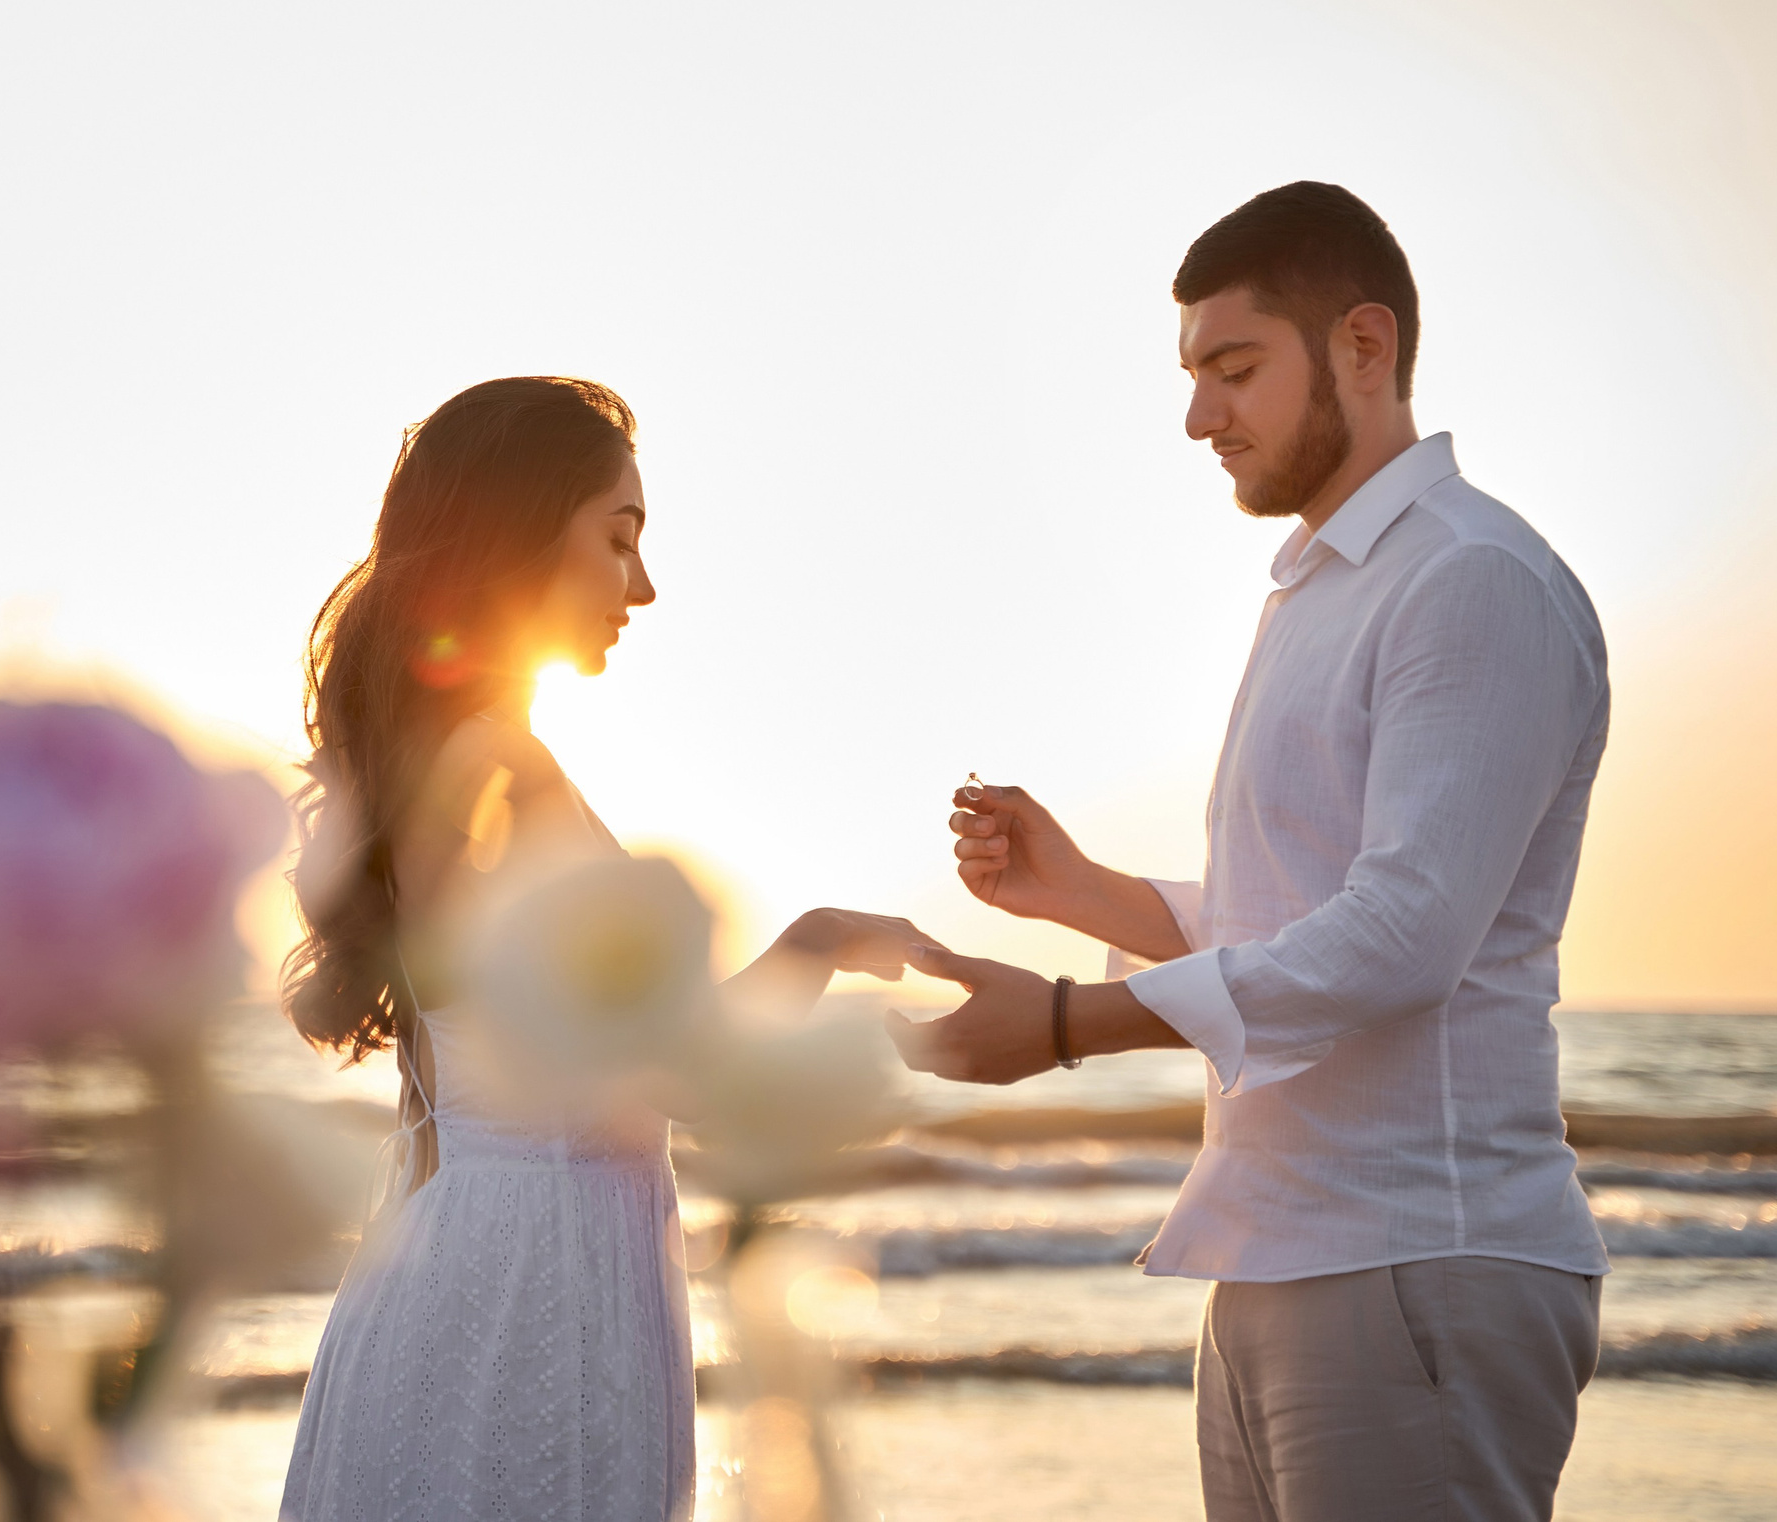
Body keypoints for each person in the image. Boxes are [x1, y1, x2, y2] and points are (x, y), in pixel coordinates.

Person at [890, 184, 1610, 1522]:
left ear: (1363, 345)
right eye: (1192, 376)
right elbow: (1302, 914)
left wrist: (1064, 1024)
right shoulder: (1318, 592)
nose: (1198, 416)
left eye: (1234, 369)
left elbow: (1403, 934)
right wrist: (1085, 893)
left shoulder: (1470, 578)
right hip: (1282, 1251)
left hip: (1418, 1256)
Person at [280, 376, 931, 1522]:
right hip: (537, 1286)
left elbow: (560, 1060)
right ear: (519, 534)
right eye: (617, 538)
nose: (641, 584)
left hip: (467, 1259)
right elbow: (668, 1072)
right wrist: (818, 954)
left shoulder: (441, 758)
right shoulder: (498, 772)